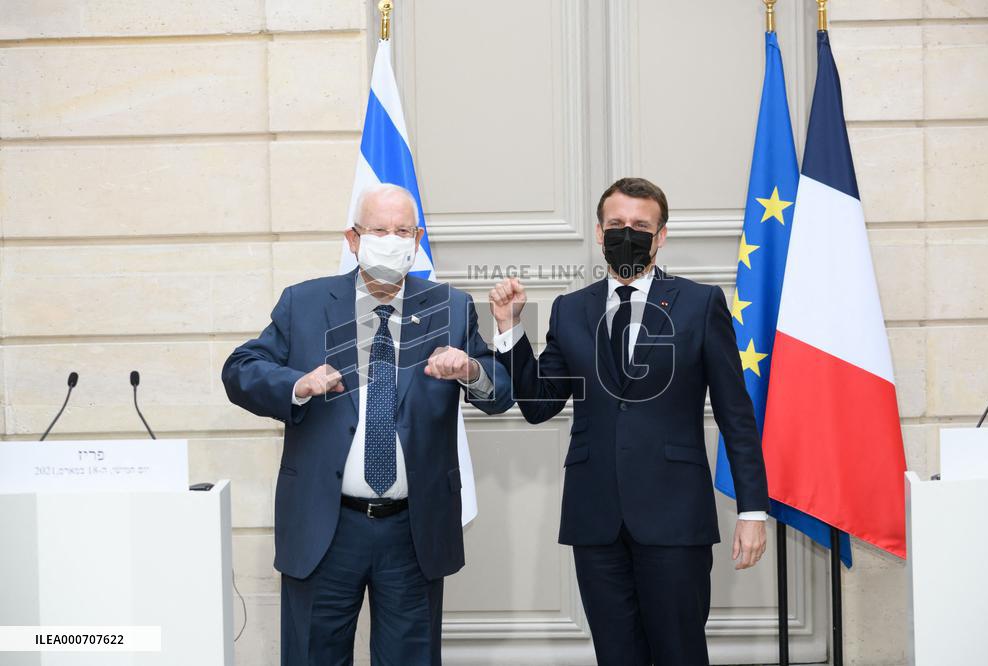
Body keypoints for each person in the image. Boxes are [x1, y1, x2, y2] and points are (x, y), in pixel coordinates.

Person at [222, 183, 513, 666]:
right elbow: (239, 369)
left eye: (402, 231)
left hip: (412, 531)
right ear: (354, 239)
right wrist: (298, 384)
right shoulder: (306, 303)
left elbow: (500, 393)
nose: (391, 240)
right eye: (379, 230)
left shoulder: (450, 307)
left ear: (417, 239)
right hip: (325, 526)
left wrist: (471, 370)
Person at [488, 177, 769, 666]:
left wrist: (752, 511)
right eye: (616, 224)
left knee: (679, 654)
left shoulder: (701, 305)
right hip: (596, 519)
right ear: (599, 232)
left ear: (661, 237)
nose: (627, 234)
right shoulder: (570, 309)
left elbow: (736, 416)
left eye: (640, 226)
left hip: (675, 518)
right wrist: (512, 327)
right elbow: (539, 404)